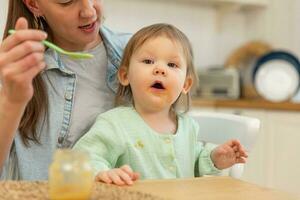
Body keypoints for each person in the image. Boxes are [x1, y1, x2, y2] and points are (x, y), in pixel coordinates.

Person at [74, 23, 248, 186]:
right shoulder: (114, 124)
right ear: (125, 76)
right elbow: (84, 158)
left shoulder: (188, 127)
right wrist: (103, 173)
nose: (160, 69)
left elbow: (194, 162)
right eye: (148, 61)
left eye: (172, 64)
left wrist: (214, 158)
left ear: (186, 85)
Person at [0, 0, 131, 180]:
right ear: (33, 4)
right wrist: (12, 100)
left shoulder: (146, 55)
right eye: (66, 1)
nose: (89, 11)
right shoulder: (13, 72)